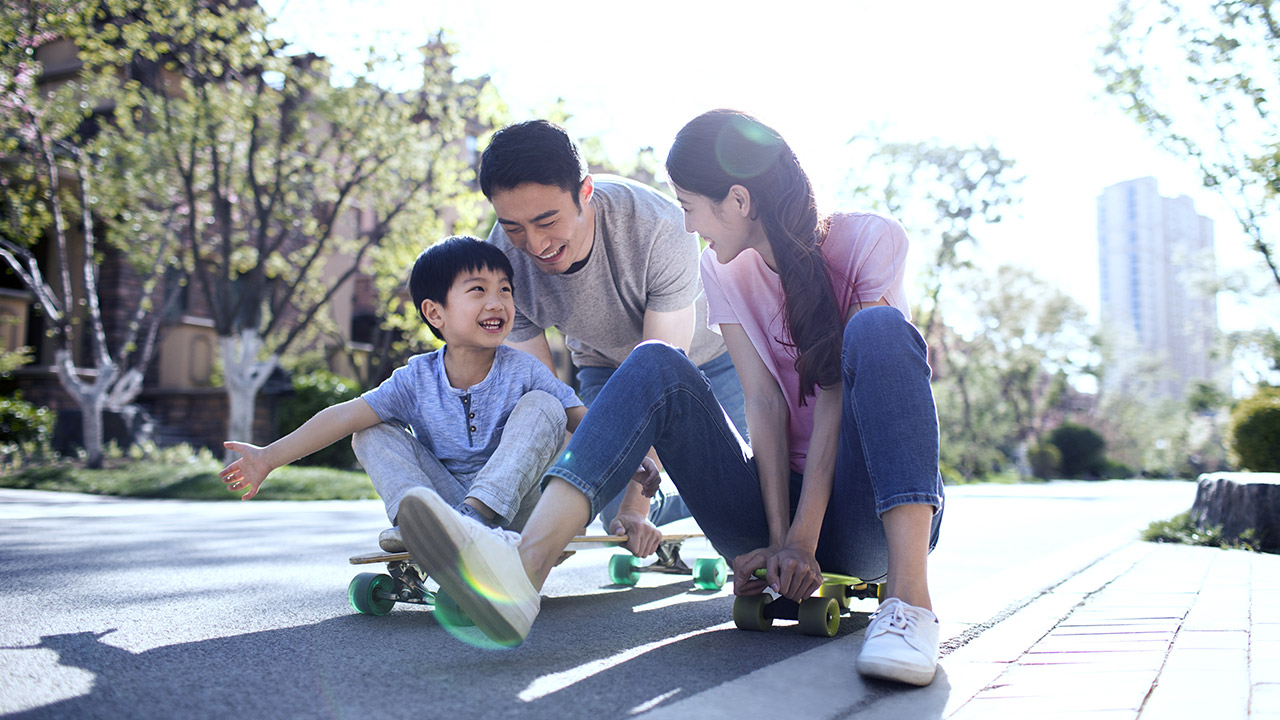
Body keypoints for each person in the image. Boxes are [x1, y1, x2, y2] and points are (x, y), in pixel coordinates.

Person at [395, 109, 946, 686]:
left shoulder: (870, 240)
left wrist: (802, 541)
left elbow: (833, 397)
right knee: (654, 362)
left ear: (737, 200)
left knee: (879, 332)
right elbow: (765, 408)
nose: (688, 225)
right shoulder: (723, 269)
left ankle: (910, 606)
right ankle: (520, 574)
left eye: (689, 207)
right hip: (769, 509)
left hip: (866, 518)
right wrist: (776, 541)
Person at [219, 236, 609, 547]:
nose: (498, 302)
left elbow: (584, 422)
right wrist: (269, 457)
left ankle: (475, 520)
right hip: (447, 506)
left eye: (505, 290)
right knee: (369, 429)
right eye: (478, 290)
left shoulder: (524, 370)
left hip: (521, 506)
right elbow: (342, 416)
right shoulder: (415, 379)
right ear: (435, 313)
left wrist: (633, 458)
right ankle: (420, 522)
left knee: (546, 405)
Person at [479, 119, 748, 536]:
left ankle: (698, 500)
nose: (534, 244)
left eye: (547, 221)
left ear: (586, 193)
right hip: (605, 366)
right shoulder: (501, 261)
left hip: (712, 360)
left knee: (750, 485)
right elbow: (545, 394)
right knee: (611, 514)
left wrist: (637, 507)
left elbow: (660, 377)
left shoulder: (659, 226)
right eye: (514, 226)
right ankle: (668, 508)